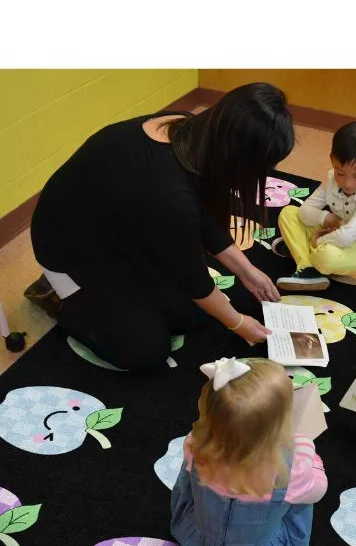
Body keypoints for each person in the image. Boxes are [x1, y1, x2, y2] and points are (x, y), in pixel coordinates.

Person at [27, 83, 295, 371]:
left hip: (123, 230)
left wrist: (246, 270)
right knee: (145, 350)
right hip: (70, 252)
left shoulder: (188, 130)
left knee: (194, 316)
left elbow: (200, 213)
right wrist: (239, 324)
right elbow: (195, 279)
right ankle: (60, 298)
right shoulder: (167, 193)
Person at [170, 357, 328, 546]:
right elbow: (318, 490)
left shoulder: (194, 445)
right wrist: (305, 445)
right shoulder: (291, 469)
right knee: (302, 498)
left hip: (197, 542)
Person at [273, 121, 356, 291]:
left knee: (325, 257)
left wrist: (318, 241)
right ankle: (309, 268)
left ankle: (304, 253)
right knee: (289, 213)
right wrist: (326, 218)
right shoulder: (332, 177)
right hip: (339, 231)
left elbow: (345, 238)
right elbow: (305, 211)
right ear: (332, 159)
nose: (347, 183)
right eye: (340, 173)